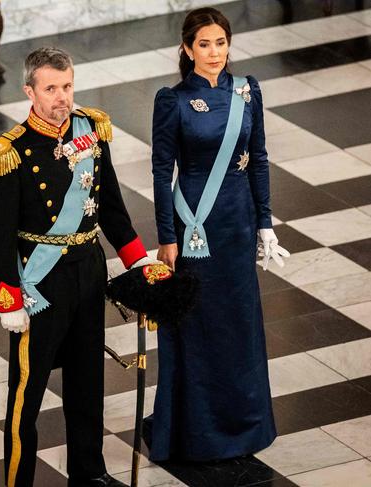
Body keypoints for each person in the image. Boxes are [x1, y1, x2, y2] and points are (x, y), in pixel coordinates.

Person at [0, 47, 151, 487]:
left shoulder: (91, 129)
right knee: (27, 394)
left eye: (67, 86)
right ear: (29, 91)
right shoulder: (9, 152)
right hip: (41, 282)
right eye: (51, 88)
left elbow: (109, 203)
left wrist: (137, 262)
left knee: (87, 379)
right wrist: (8, 298)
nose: (62, 97)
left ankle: (89, 474)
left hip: (89, 270)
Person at [144, 7, 290, 462]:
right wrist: (166, 235)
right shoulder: (173, 100)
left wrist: (265, 222)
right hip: (195, 229)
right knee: (198, 327)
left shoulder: (248, 91)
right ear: (187, 49)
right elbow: (160, 169)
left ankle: (245, 428)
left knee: (239, 325)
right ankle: (196, 432)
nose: (214, 53)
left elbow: (259, 157)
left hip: (238, 225)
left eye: (221, 43)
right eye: (204, 44)